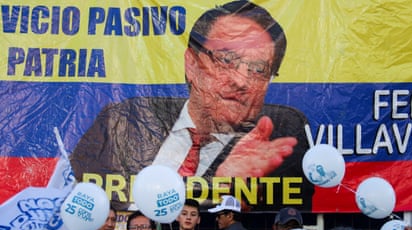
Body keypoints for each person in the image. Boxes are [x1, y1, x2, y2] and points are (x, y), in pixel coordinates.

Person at [70, 0, 313, 212]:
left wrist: (224, 187)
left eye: (258, 69)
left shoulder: (281, 137)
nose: (241, 80)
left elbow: (283, 219)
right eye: (227, 60)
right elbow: (78, 199)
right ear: (192, 64)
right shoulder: (124, 122)